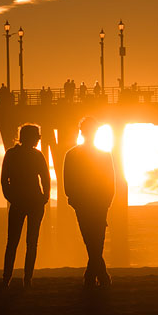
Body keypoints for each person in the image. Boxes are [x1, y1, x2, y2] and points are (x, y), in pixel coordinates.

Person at [63, 117, 115, 288]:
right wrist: (73, 198)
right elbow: (110, 181)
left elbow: (110, 181)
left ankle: (93, 276)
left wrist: (106, 200)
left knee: (93, 239)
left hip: (93, 202)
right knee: (94, 239)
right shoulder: (102, 155)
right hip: (90, 202)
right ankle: (99, 275)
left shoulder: (72, 154)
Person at [1, 124, 50, 288]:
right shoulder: (37, 155)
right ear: (32, 137)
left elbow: (4, 181)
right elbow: (46, 178)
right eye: (37, 135)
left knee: (12, 242)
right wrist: (44, 197)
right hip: (34, 202)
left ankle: (7, 279)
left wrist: (11, 198)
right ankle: (26, 279)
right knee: (31, 242)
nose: (38, 138)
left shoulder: (11, 154)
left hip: (20, 202)